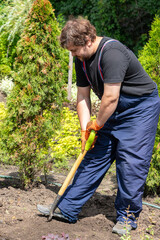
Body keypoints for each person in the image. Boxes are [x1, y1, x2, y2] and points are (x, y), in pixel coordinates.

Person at [37, 17, 160, 235]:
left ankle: (127, 217)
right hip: (111, 107)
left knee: (131, 163)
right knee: (93, 155)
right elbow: (83, 97)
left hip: (138, 109)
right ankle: (66, 208)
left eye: (74, 50)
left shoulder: (112, 54)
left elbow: (111, 97)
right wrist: (86, 130)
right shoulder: (81, 59)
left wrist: (98, 123)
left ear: (87, 39)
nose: (72, 54)